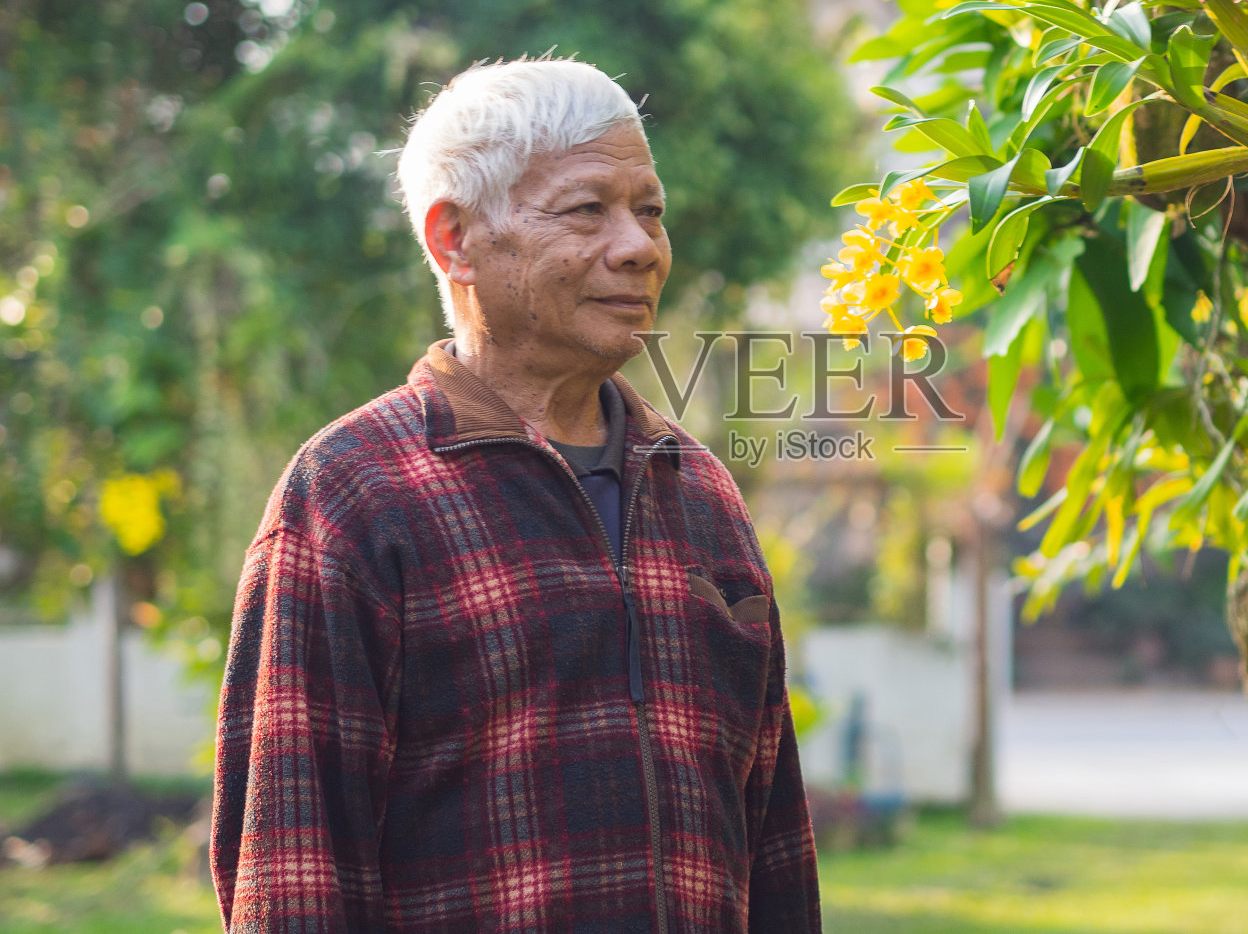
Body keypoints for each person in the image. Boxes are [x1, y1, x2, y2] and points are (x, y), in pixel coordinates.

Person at [210, 58, 821, 933]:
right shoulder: (351, 493)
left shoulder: (699, 492)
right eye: (587, 209)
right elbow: (295, 876)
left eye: (650, 209)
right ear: (453, 238)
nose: (640, 245)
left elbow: (776, 850)